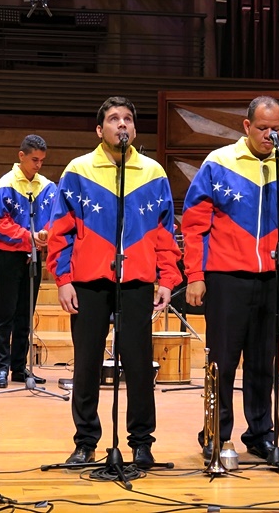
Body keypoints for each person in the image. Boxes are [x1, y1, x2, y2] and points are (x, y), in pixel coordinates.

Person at [46, 96, 181, 470]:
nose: (122, 124)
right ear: (99, 129)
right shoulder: (78, 170)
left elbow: (165, 232)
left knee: (139, 367)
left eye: (127, 119)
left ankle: (141, 444)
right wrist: (63, 279)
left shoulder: (153, 172)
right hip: (89, 282)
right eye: (113, 119)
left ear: (134, 129)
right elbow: (60, 230)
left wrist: (167, 278)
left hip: (136, 281)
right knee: (86, 365)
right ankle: (85, 442)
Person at [181, 95, 279, 460]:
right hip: (226, 278)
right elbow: (193, 225)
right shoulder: (218, 163)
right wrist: (195, 274)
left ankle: (260, 434)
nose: (269, 135)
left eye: (275, 129)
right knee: (222, 362)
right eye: (261, 128)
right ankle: (216, 432)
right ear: (246, 126)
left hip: (273, 280)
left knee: (262, 362)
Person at [0, 134, 56, 388]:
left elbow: (54, 218)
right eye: (34, 159)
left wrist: (45, 235)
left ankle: (19, 367)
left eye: (42, 160)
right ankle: (0, 368)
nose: (38, 165)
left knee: (25, 315)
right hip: (9, 255)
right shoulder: (6, 184)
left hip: (34, 256)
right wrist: (27, 237)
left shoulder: (47, 187)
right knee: (5, 313)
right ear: (21, 156)